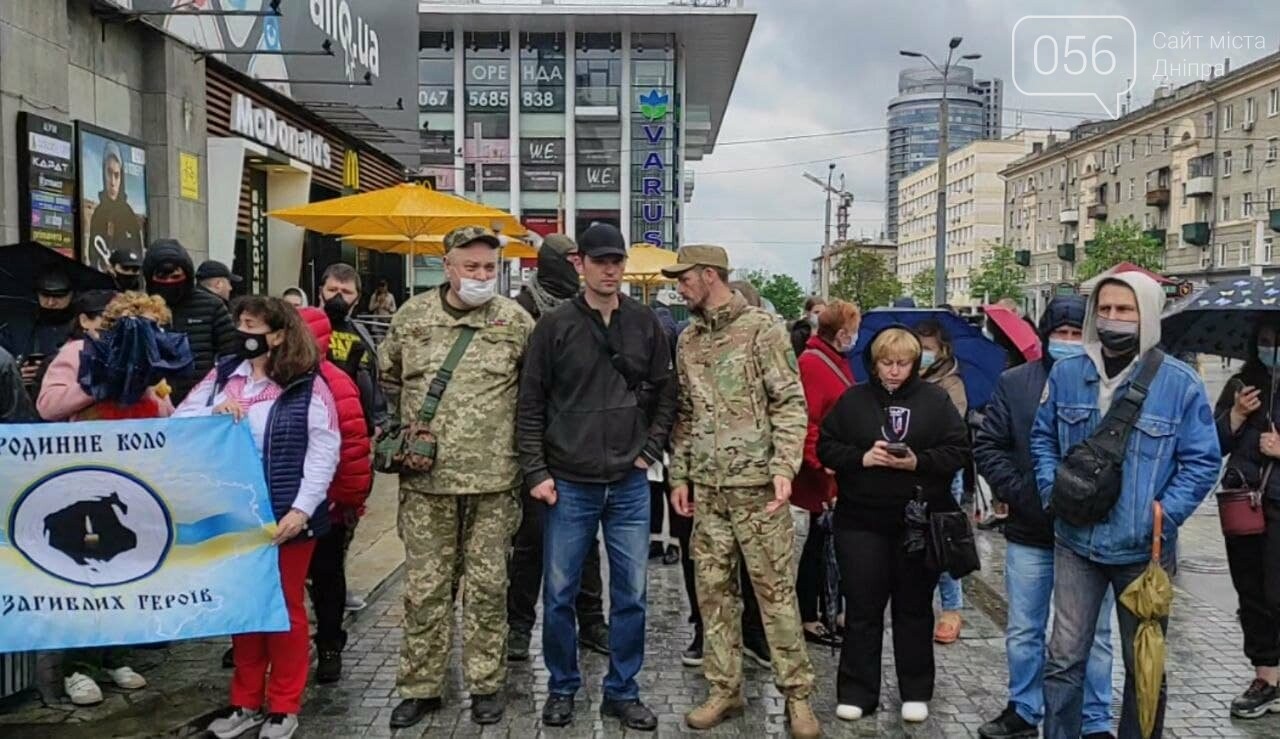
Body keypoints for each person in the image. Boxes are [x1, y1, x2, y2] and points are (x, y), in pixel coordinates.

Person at [1030, 273, 1221, 739]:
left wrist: (1163, 515)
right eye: (1107, 310)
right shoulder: (1069, 372)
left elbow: (1202, 460)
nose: (1113, 319)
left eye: (1126, 310)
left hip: (1144, 551)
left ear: (1150, 316)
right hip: (1075, 542)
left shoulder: (1180, 384)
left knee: (1145, 667)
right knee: (1063, 659)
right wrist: (1050, 489)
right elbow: (1042, 438)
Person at [517, 222, 677, 731]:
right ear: (579, 263)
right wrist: (537, 471)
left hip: (629, 483)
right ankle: (562, 687)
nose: (610, 269)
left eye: (617, 261)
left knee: (632, 594)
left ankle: (622, 691)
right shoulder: (554, 325)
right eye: (600, 260)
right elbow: (530, 405)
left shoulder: (645, 323)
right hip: (567, 482)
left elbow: (666, 393)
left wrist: (649, 450)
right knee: (560, 593)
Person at [662, 245, 820, 739]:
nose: (678, 287)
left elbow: (791, 403)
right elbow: (685, 414)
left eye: (684, 279)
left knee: (774, 594)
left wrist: (783, 466)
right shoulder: (688, 339)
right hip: (708, 493)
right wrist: (679, 477)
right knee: (714, 594)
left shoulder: (762, 331)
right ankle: (724, 689)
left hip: (758, 492)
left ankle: (797, 696)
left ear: (710, 276)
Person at [380, 226, 534, 729]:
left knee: (489, 587)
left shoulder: (515, 322)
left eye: (490, 268)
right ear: (447, 267)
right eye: (471, 267)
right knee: (426, 588)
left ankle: (486, 683)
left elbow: (533, 396)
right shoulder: (412, 319)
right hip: (427, 485)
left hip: (494, 483)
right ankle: (421, 685)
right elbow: (389, 380)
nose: (482, 276)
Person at [177, 296, 339, 739]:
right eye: (240, 323)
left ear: (279, 334)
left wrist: (302, 509)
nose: (242, 332)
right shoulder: (225, 374)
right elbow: (181, 417)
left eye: (251, 325)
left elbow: (325, 450)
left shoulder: (308, 383)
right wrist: (214, 412)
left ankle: (284, 704)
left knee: (283, 608)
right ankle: (245, 700)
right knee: (244, 610)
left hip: (285, 515)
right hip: (232, 516)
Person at [974, 296, 1117, 739]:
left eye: (1078, 335)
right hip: (1030, 531)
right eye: (1062, 334)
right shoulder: (1016, 383)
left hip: (1091, 535)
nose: (1069, 342)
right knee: (1024, 629)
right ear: (1046, 334)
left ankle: (1093, 719)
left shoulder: (1107, 384)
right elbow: (988, 445)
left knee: (1093, 637)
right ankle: (1024, 708)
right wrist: (1022, 492)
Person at [817, 326, 970, 724]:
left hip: (917, 521)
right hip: (861, 520)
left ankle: (915, 689)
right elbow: (826, 444)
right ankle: (857, 691)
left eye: (903, 363)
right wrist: (862, 458)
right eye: (887, 363)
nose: (894, 371)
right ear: (874, 362)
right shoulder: (853, 400)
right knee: (863, 608)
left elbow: (957, 450)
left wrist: (918, 461)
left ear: (916, 364)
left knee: (914, 609)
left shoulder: (935, 400)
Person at [507, 233, 611, 663]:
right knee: (529, 543)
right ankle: (518, 627)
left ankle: (591, 622)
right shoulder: (522, 309)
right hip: (537, 442)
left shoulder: (593, 308)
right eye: (568, 258)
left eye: (577, 258)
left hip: (581, 443)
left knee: (586, 544)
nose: (574, 265)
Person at [296, 307, 373, 685]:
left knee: (326, 579)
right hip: (282, 503)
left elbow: (354, 448)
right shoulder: (267, 379)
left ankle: (329, 645)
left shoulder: (335, 384)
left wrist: (347, 502)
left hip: (327, 506)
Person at [1213, 321, 1280, 719]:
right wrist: (1236, 415)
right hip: (1243, 505)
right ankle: (1266, 677)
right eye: (1265, 341)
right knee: (1251, 595)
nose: (1271, 347)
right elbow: (1210, 441)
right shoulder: (1242, 384)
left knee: (1277, 594)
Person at [794, 300, 859, 647]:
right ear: (840, 331)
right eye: (852, 328)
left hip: (836, 465)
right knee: (820, 543)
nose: (855, 336)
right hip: (824, 469)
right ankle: (810, 614)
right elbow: (808, 421)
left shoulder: (835, 359)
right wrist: (821, 463)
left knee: (829, 541)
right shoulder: (813, 363)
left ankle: (830, 609)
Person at [914, 319, 969, 644]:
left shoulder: (951, 384)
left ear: (942, 350)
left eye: (927, 349)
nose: (922, 355)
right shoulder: (902, 378)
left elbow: (953, 430)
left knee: (943, 537)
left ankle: (951, 607)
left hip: (944, 472)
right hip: (910, 470)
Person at [143, 239, 237, 404]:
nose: (169, 282)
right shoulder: (139, 307)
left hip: (200, 403)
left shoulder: (212, 306)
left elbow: (232, 355)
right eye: (162, 277)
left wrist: (224, 394)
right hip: (152, 403)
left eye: (176, 276)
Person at [316, 263, 388, 434]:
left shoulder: (362, 333)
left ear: (357, 298)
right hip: (318, 425)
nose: (338, 297)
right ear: (321, 292)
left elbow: (372, 378)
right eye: (332, 290)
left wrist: (377, 423)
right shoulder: (305, 328)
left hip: (356, 429)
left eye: (346, 292)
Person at [1, 269, 77, 391]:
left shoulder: (83, 327)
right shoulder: (17, 327)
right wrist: (16, 373)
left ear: (71, 295)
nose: (51, 303)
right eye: (45, 295)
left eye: (59, 296)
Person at [86, 141, 144, 267]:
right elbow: (93, 256)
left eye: (116, 175)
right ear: (103, 174)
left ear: (121, 178)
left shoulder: (129, 215)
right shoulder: (98, 214)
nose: (112, 182)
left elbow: (138, 257)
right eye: (109, 173)